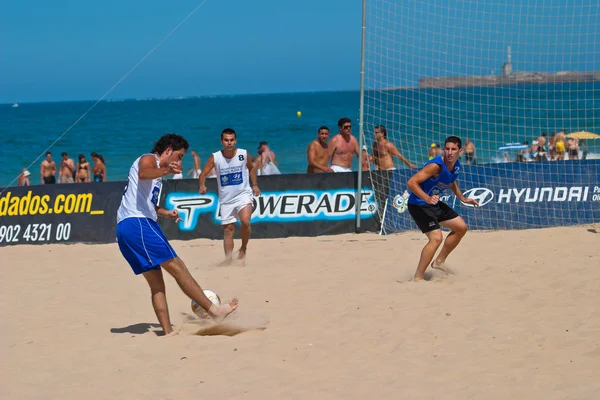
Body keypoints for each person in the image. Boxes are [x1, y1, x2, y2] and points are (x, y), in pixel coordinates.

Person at [115, 133, 239, 335]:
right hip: (137, 224)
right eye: (179, 156)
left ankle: (167, 332)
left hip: (127, 228)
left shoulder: (158, 177)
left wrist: (165, 213)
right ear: (168, 151)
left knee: (157, 283)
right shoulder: (149, 159)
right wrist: (165, 169)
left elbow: (147, 205)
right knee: (177, 266)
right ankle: (214, 310)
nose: (180, 161)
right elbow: (143, 173)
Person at [406, 136, 479, 281]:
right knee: (436, 238)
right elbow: (411, 182)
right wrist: (427, 198)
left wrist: (463, 198)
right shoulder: (436, 166)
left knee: (461, 227)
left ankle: (439, 262)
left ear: (460, 151)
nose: (450, 152)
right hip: (418, 204)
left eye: (453, 149)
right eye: (447, 149)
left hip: (433, 203)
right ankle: (418, 278)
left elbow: (451, 182)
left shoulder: (456, 165)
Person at [199, 128, 261, 265]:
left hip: (243, 194)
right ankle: (228, 260)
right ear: (222, 141)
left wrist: (255, 184)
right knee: (228, 230)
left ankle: (243, 249)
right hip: (226, 199)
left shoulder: (243, 154)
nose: (229, 143)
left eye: (232, 140)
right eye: (226, 140)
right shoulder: (216, 157)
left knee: (245, 221)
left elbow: (251, 168)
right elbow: (203, 173)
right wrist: (202, 185)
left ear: (235, 140)